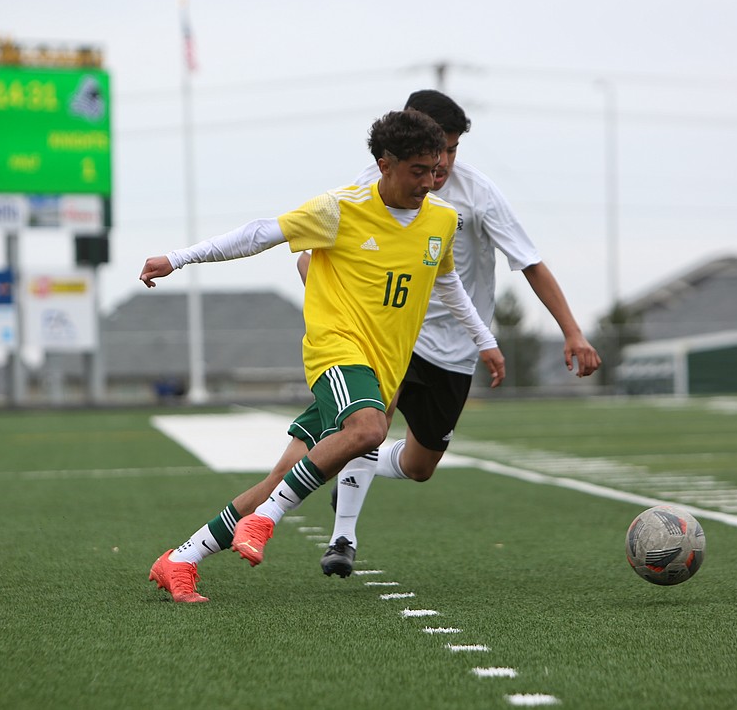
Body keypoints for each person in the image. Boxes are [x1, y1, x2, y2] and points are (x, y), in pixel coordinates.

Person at [141, 109, 506, 602]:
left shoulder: (442, 220)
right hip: (335, 352)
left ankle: (181, 559)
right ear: (385, 164)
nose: (430, 180)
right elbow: (258, 234)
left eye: (436, 168)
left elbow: (446, 283)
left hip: (382, 369)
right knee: (370, 431)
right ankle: (266, 522)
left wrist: (484, 340)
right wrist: (178, 258)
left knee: (280, 477)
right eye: (418, 170)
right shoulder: (340, 209)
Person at [304, 90, 601, 578]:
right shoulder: (368, 188)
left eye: (452, 150)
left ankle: (358, 471)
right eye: (435, 149)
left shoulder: (478, 194)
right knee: (370, 425)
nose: (441, 162)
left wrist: (572, 332)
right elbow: (312, 254)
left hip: (459, 347)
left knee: (421, 467)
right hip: (394, 334)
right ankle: (343, 537)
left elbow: (530, 263)